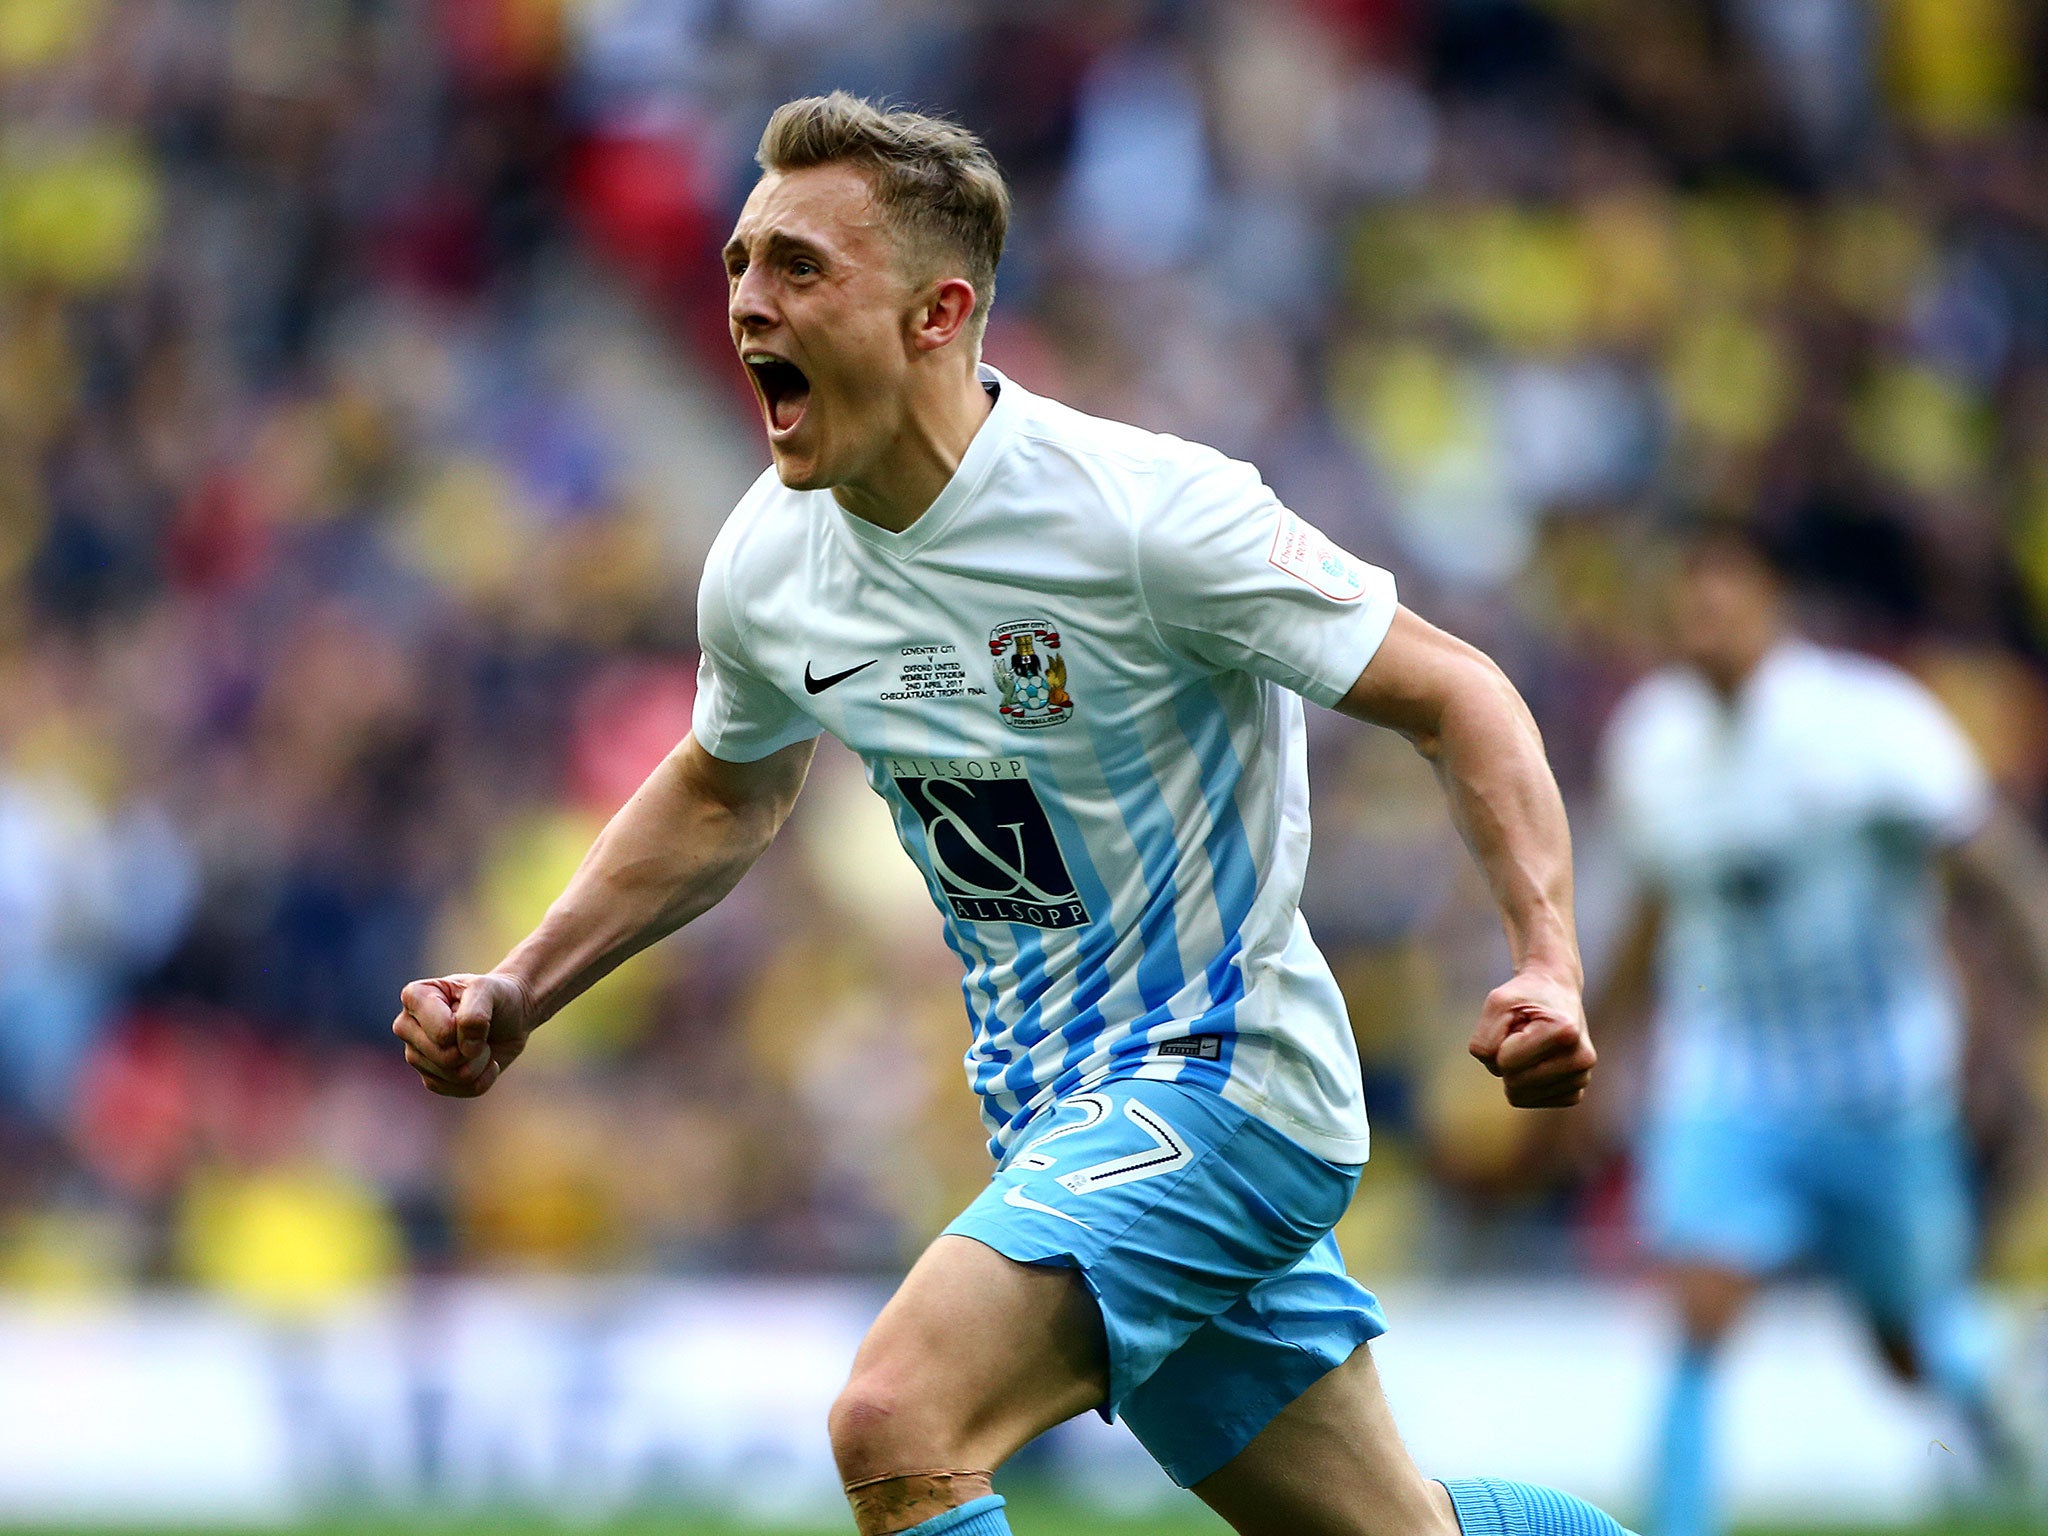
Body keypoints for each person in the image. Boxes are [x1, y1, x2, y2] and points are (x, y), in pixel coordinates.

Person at [393, 94, 1633, 1536]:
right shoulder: (767, 564)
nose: (744, 302)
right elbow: (726, 787)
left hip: (1224, 1083)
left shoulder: (1144, 513)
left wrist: (1548, 954)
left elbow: (1458, 693)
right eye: (738, 262)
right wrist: (523, 988)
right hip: (1049, 1110)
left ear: (939, 311)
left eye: (798, 267)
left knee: (898, 1418)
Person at [1598, 525, 2048, 1536]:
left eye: (1720, 593)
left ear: (1771, 602)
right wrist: (1594, 1045)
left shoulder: (1870, 726)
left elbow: (1993, 872)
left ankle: (1991, 1393)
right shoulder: (1651, 741)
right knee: (1697, 1309)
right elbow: (1648, 914)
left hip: (1879, 1079)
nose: (1699, 618)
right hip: (1730, 1074)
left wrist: (2028, 1023)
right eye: (1683, 599)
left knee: (1904, 1343)